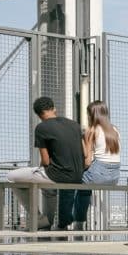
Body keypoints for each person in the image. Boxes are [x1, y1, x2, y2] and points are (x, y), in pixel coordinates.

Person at [7, 96, 83, 231]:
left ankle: (39, 218)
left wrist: (41, 168)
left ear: (39, 114)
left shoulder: (42, 127)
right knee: (48, 186)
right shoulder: (75, 125)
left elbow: (46, 161)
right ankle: (47, 222)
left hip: (57, 175)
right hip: (77, 176)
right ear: (54, 108)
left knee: (11, 177)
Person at [71, 100, 121, 230]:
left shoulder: (91, 131)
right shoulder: (115, 130)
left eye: (88, 114)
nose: (87, 117)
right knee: (86, 183)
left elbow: (87, 162)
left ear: (93, 115)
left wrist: (82, 141)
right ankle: (78, 221)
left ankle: (78, 222)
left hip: (99, 172)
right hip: (115, 176)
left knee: (79, 183)